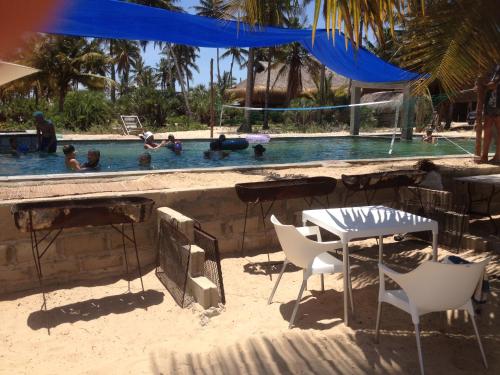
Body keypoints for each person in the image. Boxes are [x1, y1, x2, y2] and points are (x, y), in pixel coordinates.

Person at [480, 64, 500, 163]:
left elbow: (494, 84)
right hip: (491, 102)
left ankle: (497, 156)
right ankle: (484, 156)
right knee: (487, 129)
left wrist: (482, 85)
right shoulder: (494, 66)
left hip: (498, 103)